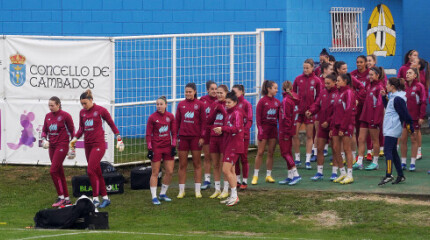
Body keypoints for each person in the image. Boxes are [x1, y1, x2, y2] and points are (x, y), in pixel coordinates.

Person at [70, 90, 124, 208]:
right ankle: (105, 198)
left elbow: (111, 124)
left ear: (91, 100)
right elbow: (81, 129)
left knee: (90, 171)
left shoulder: (101, 110)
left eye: (85, 103)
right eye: (82, 104)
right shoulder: (82, 113)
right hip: (88, 145)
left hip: (98, 145)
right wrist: (74, 138)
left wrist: (119, 138)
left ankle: (95, 199)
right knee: (96, 171)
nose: (84, 106)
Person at [379, 77, 414, 185]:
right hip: (391, 127)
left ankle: (388, 175)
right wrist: (384, 97)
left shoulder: (398, 98)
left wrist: (410, 127)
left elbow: (405, 114)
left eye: (388, 84)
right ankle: (400, 175)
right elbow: (390, 109)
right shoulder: (394, 97)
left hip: (393, 128)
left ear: (392, 87)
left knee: (387, 151)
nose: (386, 86)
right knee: (393, 152)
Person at [42, 96, 75, 207]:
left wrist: (72, 148)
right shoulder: (47, 116)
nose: (50, 107)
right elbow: (44, 131)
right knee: (59, 172)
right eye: (49, 105)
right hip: (52, 146)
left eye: (52, 105)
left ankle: (61, 197)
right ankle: (67, 199)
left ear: (58, 105)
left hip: (62, 146)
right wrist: (44, 139)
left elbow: (72, 132)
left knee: (53, 171)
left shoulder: (66, 116)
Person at [213, 91, 244, 206]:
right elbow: (228, 128)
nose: (227, 104)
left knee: (226, 170)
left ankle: (235, 196)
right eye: (226, 102)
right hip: (229, 144)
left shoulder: (237, 113)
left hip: (235, 145)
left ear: (235, 102)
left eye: (229, 102)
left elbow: (236, 128)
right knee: (231, 171)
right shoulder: (229, 113)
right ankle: (233, 195)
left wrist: (223, 129)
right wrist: (221, 129)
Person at [175, 83, 206, 198]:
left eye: (190, 92)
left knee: (197, 163)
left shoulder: (200, 105)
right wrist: (176, 137)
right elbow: (177, 122)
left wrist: (202, 137)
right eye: (186, 92)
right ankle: (181, 190)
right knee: (182, 164)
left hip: (195, 138)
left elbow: (204, 122)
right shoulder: (181, 105)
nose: (188, 94)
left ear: (195, 92)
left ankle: (197, 190)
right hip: (183, 138)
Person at [306, 74, 339, 181]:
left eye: (329, 83)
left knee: (335, 149)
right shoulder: (323, 92)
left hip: (334, 126)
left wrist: (329, 122)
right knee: (319, 148)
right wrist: (311, 111)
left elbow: (337, 112)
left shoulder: (338, 93)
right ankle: (319, 172)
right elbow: (317, 104)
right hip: (322, 126)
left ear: (335, 82)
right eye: (325, 83)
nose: (326, 85)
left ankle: (334, 172)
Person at [146, 96, 177, 205]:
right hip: (156, 147)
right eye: (157, 104)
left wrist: (173, 146)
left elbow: (174, 133)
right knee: (155, 172)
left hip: (167, 147)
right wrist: (150, 149)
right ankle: (154, 196)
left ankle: (163, 194)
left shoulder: (170, 116)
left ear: (166, 105)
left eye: (161, 104)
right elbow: (148, 134)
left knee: (170, 171)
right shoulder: (152, 117)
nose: (159, 106)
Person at [354, 67, 385, 171]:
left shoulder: (380, 87)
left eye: (372, 74)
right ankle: (359, 162)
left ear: (377, 75)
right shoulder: (368, 85)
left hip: (373, 119)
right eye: (369, 74)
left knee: (375, 140)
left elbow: (380, 105)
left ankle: (375, 162)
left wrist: (376, 120)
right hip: (365, 116)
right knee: (361, 139)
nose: (370, 76)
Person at [292, 59, 321, 169]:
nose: (305, 70)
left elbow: (318, 98)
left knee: (310, 136)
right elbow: (293, 94)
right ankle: (297, 158)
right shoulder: (298, 79)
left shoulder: (317, 81)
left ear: (313, 67)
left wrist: (312, 110)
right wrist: (296, 106)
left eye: (307, 68)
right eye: (304, 68)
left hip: (310, 113)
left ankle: (308, 160)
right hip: (299, 112)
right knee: (294, 134)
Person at [252, 80, 280, 184]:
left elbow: (279, 118)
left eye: (277, 88)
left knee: (271, 153)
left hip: (273, 130)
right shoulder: (262, 101)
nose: (277, 90)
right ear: (269, 89)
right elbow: (258, 118)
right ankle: (255, 176)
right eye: (275, 88)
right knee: (260, 152)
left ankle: (268, 175)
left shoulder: (277, 102)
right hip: (264, 130)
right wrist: (260, 131)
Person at [330, 73, 356, 184]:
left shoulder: (349, 92)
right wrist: (332, 127)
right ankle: (342, 173)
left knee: (346, 149)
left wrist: (343, 127)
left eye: (338, 80)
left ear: (345, 81)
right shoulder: (337, 93)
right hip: (336, 126)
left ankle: (350, 175)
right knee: (335, 149)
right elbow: (335, 112)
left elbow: (349, 110)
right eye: (336, 81)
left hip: (346, 125)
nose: (336, 82)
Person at [400, 68, 427, 171]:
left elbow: (423, 102)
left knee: (413, 139)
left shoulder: (420, 87)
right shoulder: (403, 86)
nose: (407, 74)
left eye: (410, 73)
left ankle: (412, 163)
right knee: (403, 140)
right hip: (404, 119)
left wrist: (421, 116)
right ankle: (403, 162)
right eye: (407, 73)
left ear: (415, 75)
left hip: (414, 119)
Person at [206, 85, 228, 199]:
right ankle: (217, 189)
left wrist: (222, 109)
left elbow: (228, 119)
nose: (219, 95)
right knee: (215, 164)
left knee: (225, 164)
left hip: (224, 137)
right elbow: (209, 120)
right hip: (214, 137)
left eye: (221, 93)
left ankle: (226, 188)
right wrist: (215, 110)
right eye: (217, 93)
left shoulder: (228, 104)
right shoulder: (214, 104)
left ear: (226, 93)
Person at [278, 81, 302, 185]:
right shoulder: (294, 98)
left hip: (285, 130)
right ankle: (290, 175)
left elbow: (286, 118)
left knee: (285, 153)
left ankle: (296, 174)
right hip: (291, 129)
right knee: (288, 152)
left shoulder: (286, 101)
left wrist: (286, 131)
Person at [232, 84, 253, 190]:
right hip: (234, 136)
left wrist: (243, 132)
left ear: (242, 92)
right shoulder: (233, 104)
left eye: (235, 92)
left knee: (243, 157)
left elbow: (249, 120)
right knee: (235, 159)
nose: (233, 94)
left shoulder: (246, 104)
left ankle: (245, 180)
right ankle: (237, 180)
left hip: (243, 136)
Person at [200, 81, 218, 190]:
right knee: (207, 156)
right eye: (212, 89)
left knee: (217, 158)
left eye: (216, 89)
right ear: (207, 90)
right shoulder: (203, 100)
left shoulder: (220, 100)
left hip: (217, 132)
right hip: (206, 132)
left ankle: (219, 181)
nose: (215, 91)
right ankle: (207, 180)